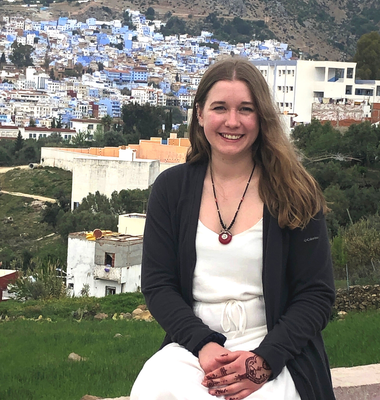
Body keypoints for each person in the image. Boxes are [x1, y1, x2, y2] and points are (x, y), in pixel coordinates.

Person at [130, 57, 335, 400]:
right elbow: (158, 284)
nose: (232, 121)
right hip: (195, 349)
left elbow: (316, 295)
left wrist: (263, 362)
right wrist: (204, 345)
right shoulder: (171, 189)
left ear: (262, 117)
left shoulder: (296, 191)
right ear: (199, 114)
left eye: (246, 109)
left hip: (277, 351)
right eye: (220, 108)